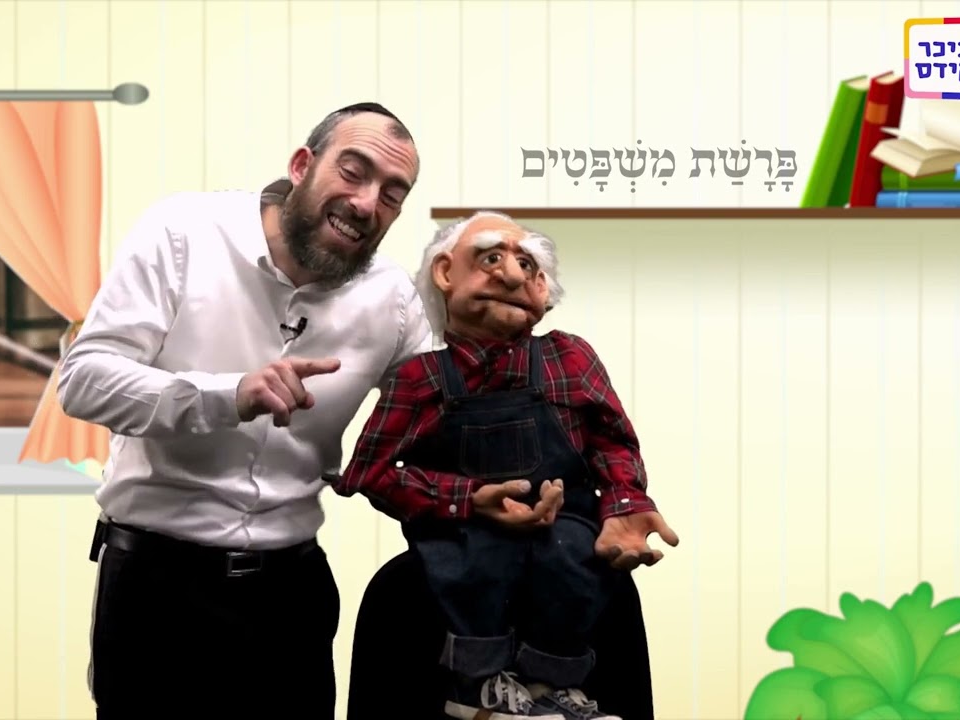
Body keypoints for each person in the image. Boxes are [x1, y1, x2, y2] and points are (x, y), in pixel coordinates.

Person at [57, 102, 432, 719]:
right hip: (155, 588)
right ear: (302, 165)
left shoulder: (390, 298)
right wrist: (228, 395)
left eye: (393, 195)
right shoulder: (184, 231)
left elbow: (445, 417)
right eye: (353, 172)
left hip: (293, 595)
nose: (368, 204)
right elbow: (85, 380)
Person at [332, 211, 680, 720]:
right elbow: (370, 472)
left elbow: (613, 442)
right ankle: (479, 689)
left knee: (573, 558)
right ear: (445, 273)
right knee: (460, 571)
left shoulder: (570, 358)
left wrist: (625, 502)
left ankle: (555, 688)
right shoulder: (421, 378)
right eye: (491, 258)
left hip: (567, 536)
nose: (514, 276)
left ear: (543, 291)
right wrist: (466, 498)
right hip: (459, 540)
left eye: (529, 266)